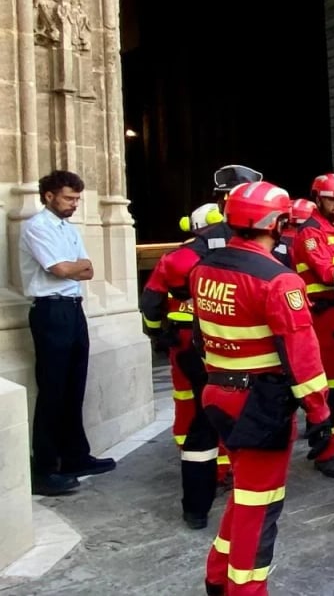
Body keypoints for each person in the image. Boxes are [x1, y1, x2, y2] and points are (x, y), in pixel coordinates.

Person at [192, 180, 333, 596]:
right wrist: (320, 413)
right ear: (276, 222)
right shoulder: (279, 280)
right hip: (259, 406)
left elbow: (202, 336)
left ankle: (217, 576)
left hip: (218, 393)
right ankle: (246, 589)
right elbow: (303, 357)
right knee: (260, 504)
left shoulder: (205, 269)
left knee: (245, 494)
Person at [19, 169, 114, 496]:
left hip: (73, 308)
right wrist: (73, 268)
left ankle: (75, 457)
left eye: (77, 199)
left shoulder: (67, 229)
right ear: (49, 196)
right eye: (69, 198)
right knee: (53, 389)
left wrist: (73, 268)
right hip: (50, 310)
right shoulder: (36, 227)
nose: (74, 204)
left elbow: (87, 267)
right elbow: (60, 269)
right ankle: (44, 469)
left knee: (75, 385)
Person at [140, 202, 229, 529]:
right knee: (225, 406)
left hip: (183, 344)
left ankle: (197, 490)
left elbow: (150, 301)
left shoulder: (177, 257)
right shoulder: (237, 251)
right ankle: (225, 467)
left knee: (190, 407)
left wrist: (154, 332)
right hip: (225, 343)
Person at [292, 172, 334, 475]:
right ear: (318, 198)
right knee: (330, 385)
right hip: (323, 316)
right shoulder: (311, 232)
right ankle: (324, 450)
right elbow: (329, 273)